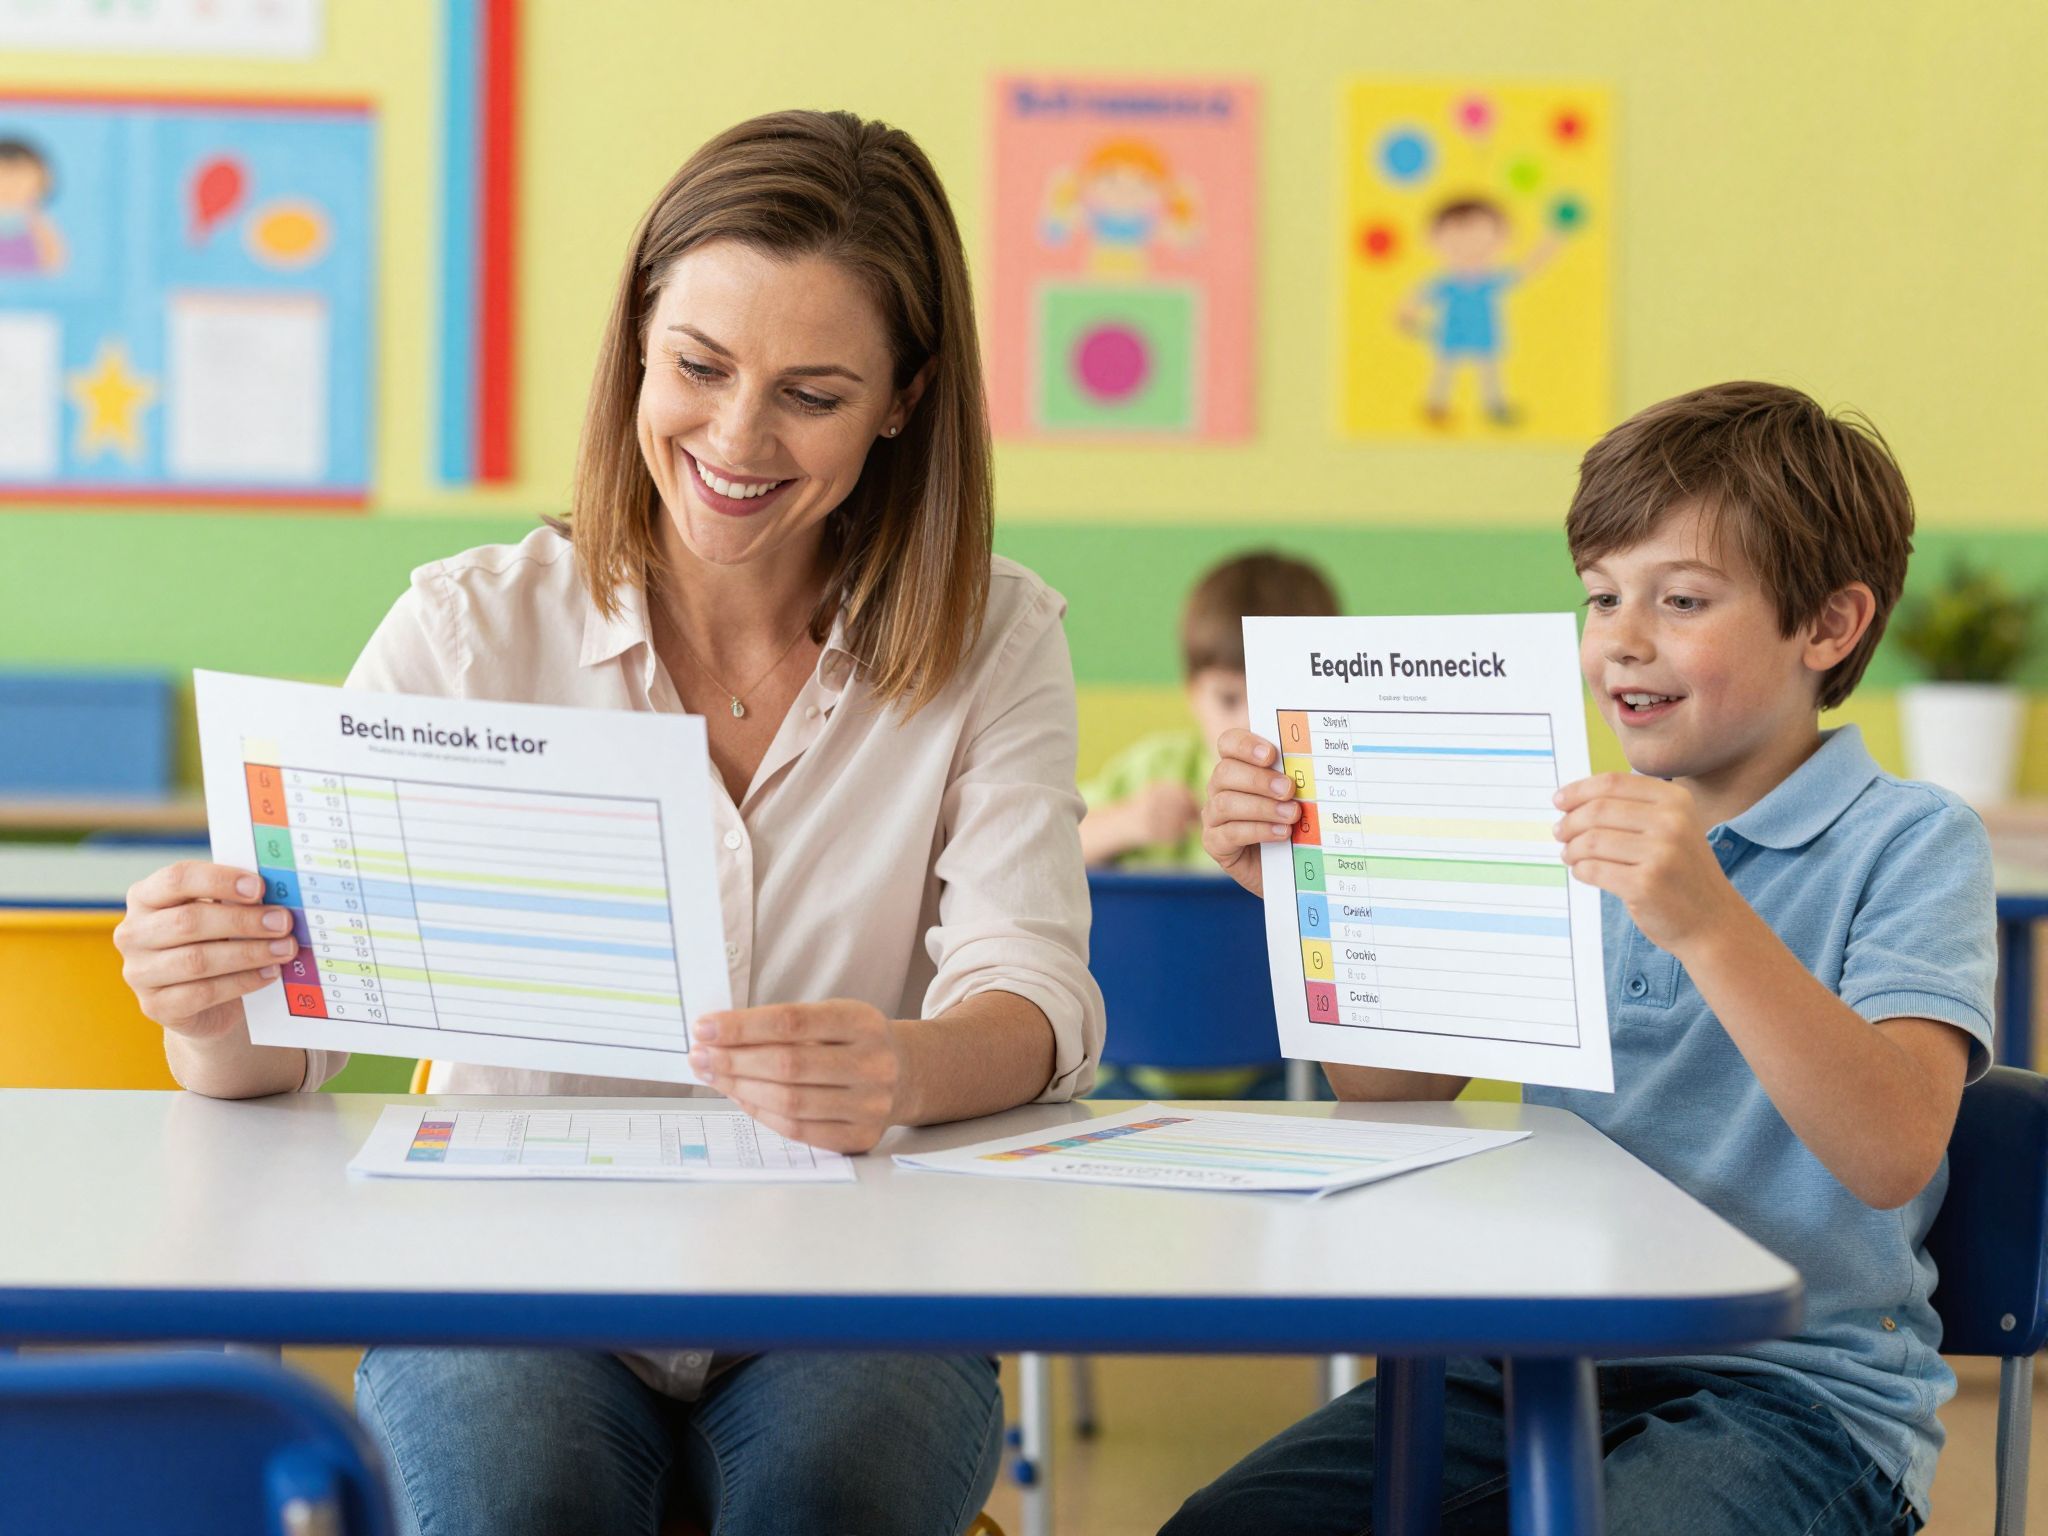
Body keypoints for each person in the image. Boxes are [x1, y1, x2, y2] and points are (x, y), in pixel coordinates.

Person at [113, 109, 1104, 1536]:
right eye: (698, 367)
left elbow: (1033, 991)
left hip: (852, 1276)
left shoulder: (994, 639)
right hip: (510, 1277)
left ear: (905, 398)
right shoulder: (466, 627)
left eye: (813, 394)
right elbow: (288, 1042)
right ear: (640, 337)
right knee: (521, 1497)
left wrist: (906, 1066)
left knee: (842, 1489)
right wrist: (209, 1001)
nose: (737, 438)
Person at [1173, 380, 1992, 1535]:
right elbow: (1390, 1098)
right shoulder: (1546, 823)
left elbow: (1890, 1151)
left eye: (1682, 598)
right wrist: (1298, 894)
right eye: (1600, 596)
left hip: (1791, 1397)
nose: (1620, 639)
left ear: (1827, 625)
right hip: (1528, 1360)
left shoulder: (1910, 841)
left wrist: (1707, 922)